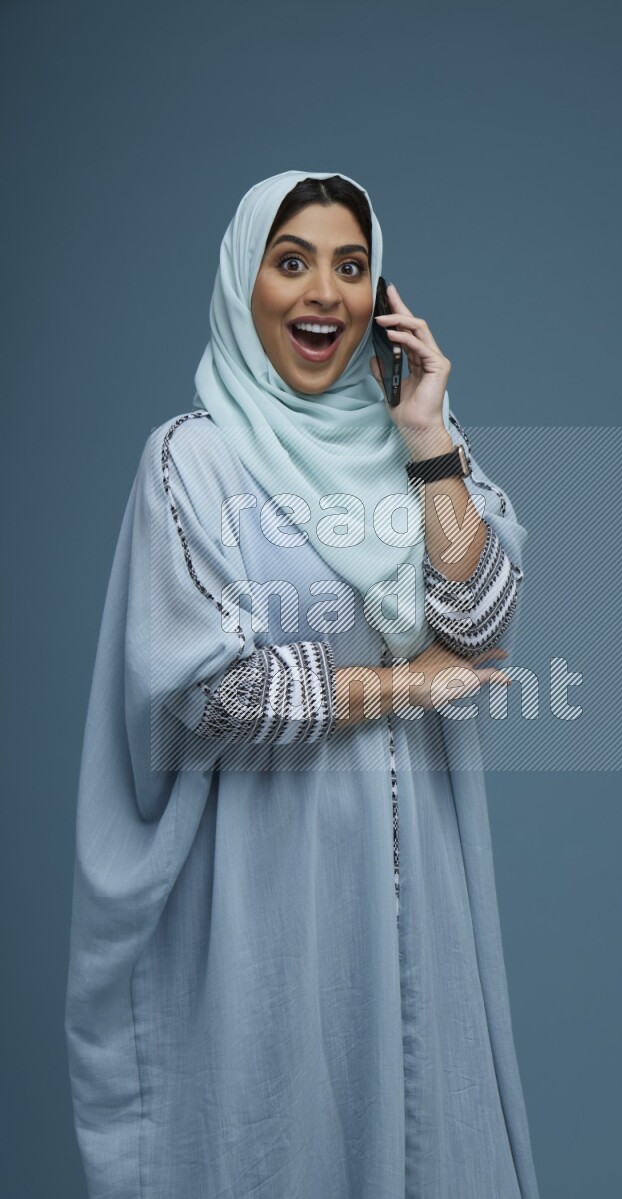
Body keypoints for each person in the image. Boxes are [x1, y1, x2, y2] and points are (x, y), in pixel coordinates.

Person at [65, 169, 542, 1198]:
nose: (325, 291)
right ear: (245, 282)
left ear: (381, 295)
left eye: (351, 266)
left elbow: (479, 624)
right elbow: (214, 693)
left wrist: (427, 438)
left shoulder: (424, 447)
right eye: (292, 262)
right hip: (267, 891)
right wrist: (398, 687)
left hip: (424, 889)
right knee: (282, 1142)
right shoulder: (191, 460)